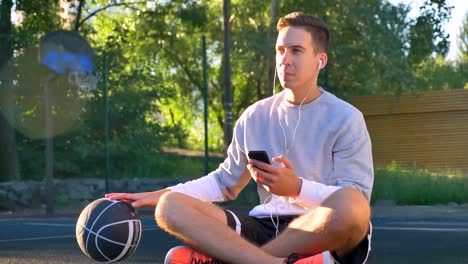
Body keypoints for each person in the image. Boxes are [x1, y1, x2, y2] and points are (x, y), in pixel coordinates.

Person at [106, 11, 374, 264]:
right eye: (280, 50)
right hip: (261, 228)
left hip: (319, 227)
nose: (285, 60)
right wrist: (160, 194)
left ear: (321, 60)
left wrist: (296, 188)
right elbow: (225, 184)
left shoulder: (346, 118)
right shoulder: (255, 115)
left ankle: (232, 258)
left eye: (296, 51)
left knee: (353, 206)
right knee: (169, 207)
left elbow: (356, 199)